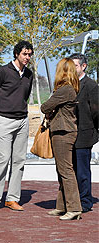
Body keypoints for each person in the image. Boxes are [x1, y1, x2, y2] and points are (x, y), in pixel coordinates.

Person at [0, 40, 33, 212]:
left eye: (29, 54)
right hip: (3, 120)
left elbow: (24, 97)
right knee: (3, 159)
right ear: (17, 54)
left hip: (22, 121)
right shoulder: (1, 72)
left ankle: (12, 198)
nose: (27, 57)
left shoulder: (29, 74)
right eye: (24, 54)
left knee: (19, 161)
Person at [41, 58, 82, 220]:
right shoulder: (70, 89)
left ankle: (74, 208)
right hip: (64, 131)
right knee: (62, 170)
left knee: (66, 171)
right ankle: (62, 205)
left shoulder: (65, 89)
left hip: (63, 132)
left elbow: (45, 107)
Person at [69, 53, 98, 213]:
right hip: (70, 135)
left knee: (82, 171)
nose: (72, 69)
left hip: (84, 135)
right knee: (70, 171)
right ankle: (73, 200)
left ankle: (85, 201)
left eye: (75, 66)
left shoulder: (91, 85)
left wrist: (94, 132)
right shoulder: (69, 85)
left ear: (84, 66)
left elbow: (96, 111)